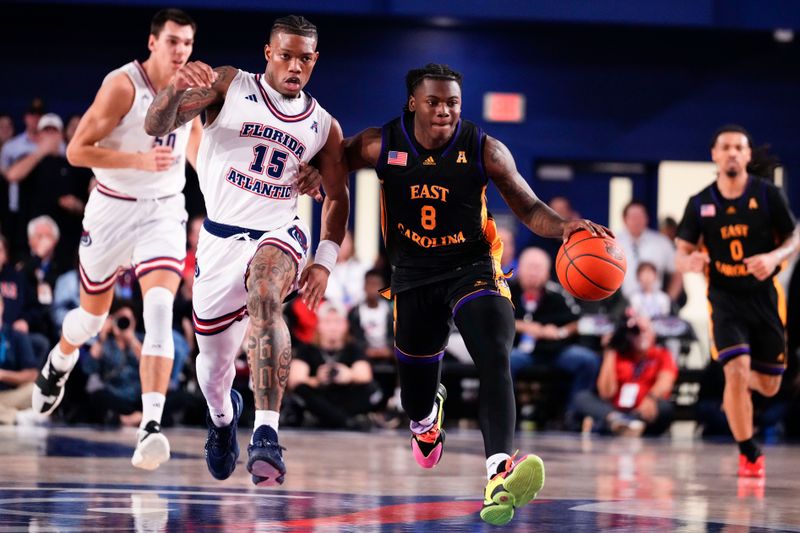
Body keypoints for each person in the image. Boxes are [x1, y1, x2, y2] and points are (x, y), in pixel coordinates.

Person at [344, 63, 607, 525]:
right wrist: (308, 181)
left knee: (494, 354)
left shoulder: (486, 150)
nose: (444, 110)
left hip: (473, 268)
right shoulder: (379, 143)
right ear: (413, 103)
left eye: (453, 103)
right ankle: (427, 419)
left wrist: (563, 227)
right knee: (415, 398)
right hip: (413, 274)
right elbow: (332, 161)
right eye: (434, 102)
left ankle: (498, 472)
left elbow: (527, 206)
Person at [144, 14, 348, 487]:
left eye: (305, 58)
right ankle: (222, 419)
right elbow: (157, 125)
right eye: (285, 55)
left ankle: (266, 435)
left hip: (280, 231)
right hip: (218, 239)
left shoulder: (322, 125)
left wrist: (323, 261)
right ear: (267, 53)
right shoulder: (229, 84)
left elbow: (337, 195)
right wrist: (175, 88)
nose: (294, 66)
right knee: (212, 371)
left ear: (314, 61)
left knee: (264, 294)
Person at [31, 9, 208, 472]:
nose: (181, 51)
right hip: (112, 206)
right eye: (173, 42)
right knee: (92, 319)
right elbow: (77, 150)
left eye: (187, 43)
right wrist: (135, 159)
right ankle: (59, 362)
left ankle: (151, 426)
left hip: (165, 210)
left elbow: (198, 152)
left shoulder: (193, 90)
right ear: (153, 42)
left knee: (158, 311)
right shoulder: (123, 85)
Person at [675, 124, 798, 478]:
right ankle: (749, 451)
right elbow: (681, 254)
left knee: (770, 383)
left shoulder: (768, 194)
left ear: (747, 155)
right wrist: (690, 262)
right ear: (714, 154)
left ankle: (745, 394)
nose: (731, 152)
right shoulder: (700, 203)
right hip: (725, 299)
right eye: (725, 147)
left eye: (738, 147)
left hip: (764, 298)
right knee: (736, 370)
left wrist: (775, 257)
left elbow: (794, 237)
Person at [508, 247, 600, 420]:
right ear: (520, 268)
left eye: (538, 268)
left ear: (546, 272)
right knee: (504, 361)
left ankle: (573, 413)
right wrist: (525, 327)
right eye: (530, 267)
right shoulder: (507, 291)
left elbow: (579, 321)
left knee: (588, 361)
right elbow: (493, 319)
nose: (534, 273)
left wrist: (560, 332)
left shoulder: (558, 294)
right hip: (521, 350)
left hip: (555, 350)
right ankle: (511, 415)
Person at [574, 314, 677, 437]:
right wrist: (610, 351)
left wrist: (651, 398)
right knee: (582, 398)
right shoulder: (619, 356)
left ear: (653, 334)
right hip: (616, 410)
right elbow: (606, 394)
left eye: (645, 331)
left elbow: (666, 381)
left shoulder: (661, 354)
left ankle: (628, 425)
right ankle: (620, 422)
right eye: (635, 332)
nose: (640, 335)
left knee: (665, 407)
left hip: (644, 409)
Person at [287, 301, 378, 430]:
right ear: (319, 325)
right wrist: (317, 380)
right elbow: (295, 380)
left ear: (345, 325)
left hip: (345, 396)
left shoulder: (353, 348)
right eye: (328, 322)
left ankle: (330, 419)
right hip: (320, 396)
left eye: (337, 322)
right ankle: (347, 421)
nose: (333, 327)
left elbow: (365, 375)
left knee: (369, 388)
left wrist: (348, 375)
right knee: (301, 390)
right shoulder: (307, 349)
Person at [617, 200, 683, 306]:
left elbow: (677, 273)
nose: (637, 221)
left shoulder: (661, 242)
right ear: (625, 220)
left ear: (647, 218)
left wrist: (669, 301)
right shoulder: (614, 242)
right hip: (623, 305)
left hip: (655, 305)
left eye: (640, 216)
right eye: (633, 217)